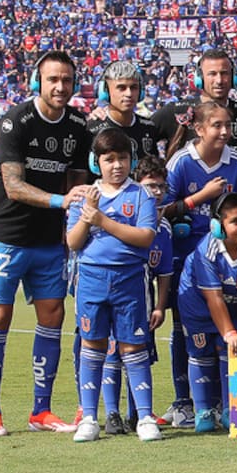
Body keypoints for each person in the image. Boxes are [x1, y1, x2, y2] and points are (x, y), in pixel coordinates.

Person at [0, 50, 90, 437]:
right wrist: (62, 202)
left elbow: (75, 178)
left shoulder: (78, 124)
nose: (60, 87)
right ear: (36, 82)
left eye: (67, 80)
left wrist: (71, 224)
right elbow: (12, 185)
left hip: (48, 240)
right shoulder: (15, 121)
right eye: (52, 80)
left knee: (53, 315)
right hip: (6, 234)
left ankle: (41, 411)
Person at [157, 100, 237, 428]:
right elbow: (160, 210)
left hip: (225, 261)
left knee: (228, 329)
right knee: (185, 330)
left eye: (228, 126)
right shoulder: (181, 162)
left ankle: (224, 402)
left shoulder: (235, 162)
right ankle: (186, 402)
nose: (225, 132)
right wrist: (200, 197)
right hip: (185, 259)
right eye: (217, 126)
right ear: (199, 129)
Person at [65, 129, 161, 442]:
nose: (116, 165)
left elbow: (145, 238)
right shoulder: (83, 195)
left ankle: (145, 416)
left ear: (131, 161)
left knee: (133, 345)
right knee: (93, 344)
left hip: (129, 279)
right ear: (97, 162)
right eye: (109, 159)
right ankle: (90, 418)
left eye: (122, 158)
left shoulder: (141, 195)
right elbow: (73, 242)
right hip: (91, 278)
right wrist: (87, 217)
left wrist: (103, 221)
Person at [176, 192, 237, 433]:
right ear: (218, 226)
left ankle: (232, 409)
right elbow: (213, 297)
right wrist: (228, 331)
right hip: (198, 303)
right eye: (235, 221)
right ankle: (203, 411)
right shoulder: (206, 250)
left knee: (232, 350)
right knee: (201, 352)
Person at [152, 49, 237, 156]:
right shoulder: (175, 111)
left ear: (234, 77)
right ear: (199, 78)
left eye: (224, 73)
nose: (219, 80)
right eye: (212, 74)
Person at [87, 61, 160, 174]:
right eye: (121, 88)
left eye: (134, 87)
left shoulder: (149, 128)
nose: (129, 93)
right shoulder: (90, 130)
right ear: (105, 92)